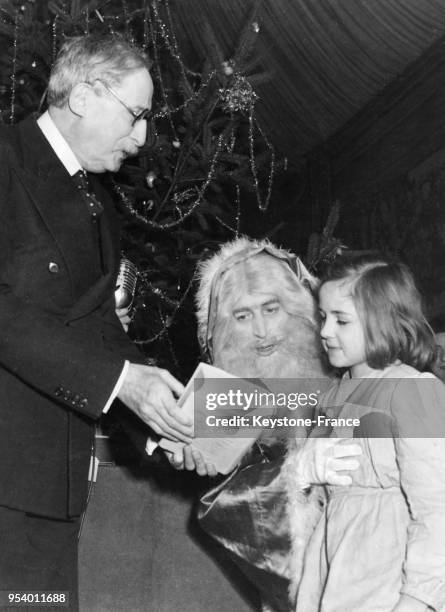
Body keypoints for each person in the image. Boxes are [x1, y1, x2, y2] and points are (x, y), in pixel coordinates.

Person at [0, 34, 193, 609]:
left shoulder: (99, 206)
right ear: (83, 94)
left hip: (47, 490)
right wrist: (121, 382)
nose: (141, 139)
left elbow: (99, 331)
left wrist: (156, 418)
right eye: (136, 115)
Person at [173, 237, 362, 612]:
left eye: (271, 309)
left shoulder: (350, 372)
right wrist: (190, 456)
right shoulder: (222, 394)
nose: (262, 331)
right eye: (242, 316)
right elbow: (221, 504)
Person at [290, 253, 445, 612]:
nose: (325, 331)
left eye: (341, 320)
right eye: (323, 317)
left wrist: (418, 600)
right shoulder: (333, 395)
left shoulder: (412, 390)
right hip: (331, 571)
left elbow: (438, 509)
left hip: (387, 579)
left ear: (383, 323)